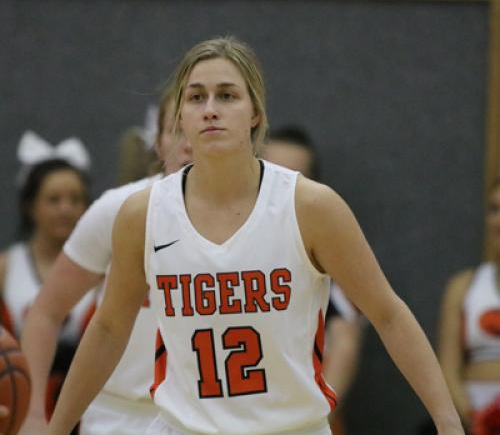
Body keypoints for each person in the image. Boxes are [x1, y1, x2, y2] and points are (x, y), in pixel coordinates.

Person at [48, 36, 464, 435]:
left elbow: (388, 313)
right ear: (178, 118)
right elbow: (108, 329)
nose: (211, 109)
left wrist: (447, 422)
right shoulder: (142, 214)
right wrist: (55, 429)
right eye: (196, 97)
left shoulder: (311, 207)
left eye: (227, 95)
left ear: (255, 114)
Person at [19, 91, 192, 435]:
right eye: (176, 129)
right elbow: (45, 312)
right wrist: (34, 413)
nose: (188, 142)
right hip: (121, 415)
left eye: (197, 126)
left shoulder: (256, 216)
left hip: (211, 416)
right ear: (157, 143)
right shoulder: (117, 209)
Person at [262, 125, 364, 435]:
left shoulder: (325, 252)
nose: (281, 187)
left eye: (293, 178)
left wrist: (315, 418)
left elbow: (345, 340)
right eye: (271, 173)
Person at [0, 132, 94, 428]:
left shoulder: (105, 270)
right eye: (53, 199)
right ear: (30, 205)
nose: (66, 208)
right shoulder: (5, 267)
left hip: (88, 412)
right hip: (20, 408)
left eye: (75, 199)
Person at [438, 174, 500, 434]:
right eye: (494, 209)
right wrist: (474, 418)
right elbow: (447, 370)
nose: (499, 220)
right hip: (473, 419)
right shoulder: (464, 286)